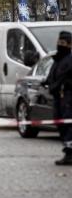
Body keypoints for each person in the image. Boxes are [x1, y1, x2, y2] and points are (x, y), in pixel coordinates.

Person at [44, 30, 72, 166]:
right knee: (59, 122)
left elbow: (64, 78)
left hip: (67, 97)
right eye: (58, 42)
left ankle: (69, 153)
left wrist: (57, 85)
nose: (59, 45)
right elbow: (52, 75)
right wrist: (47, 82)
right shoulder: (58, 60)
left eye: (63, 43)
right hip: (58, 97)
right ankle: (68, 150)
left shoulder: (69, 60)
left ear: (69, 44)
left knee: (67, 125)